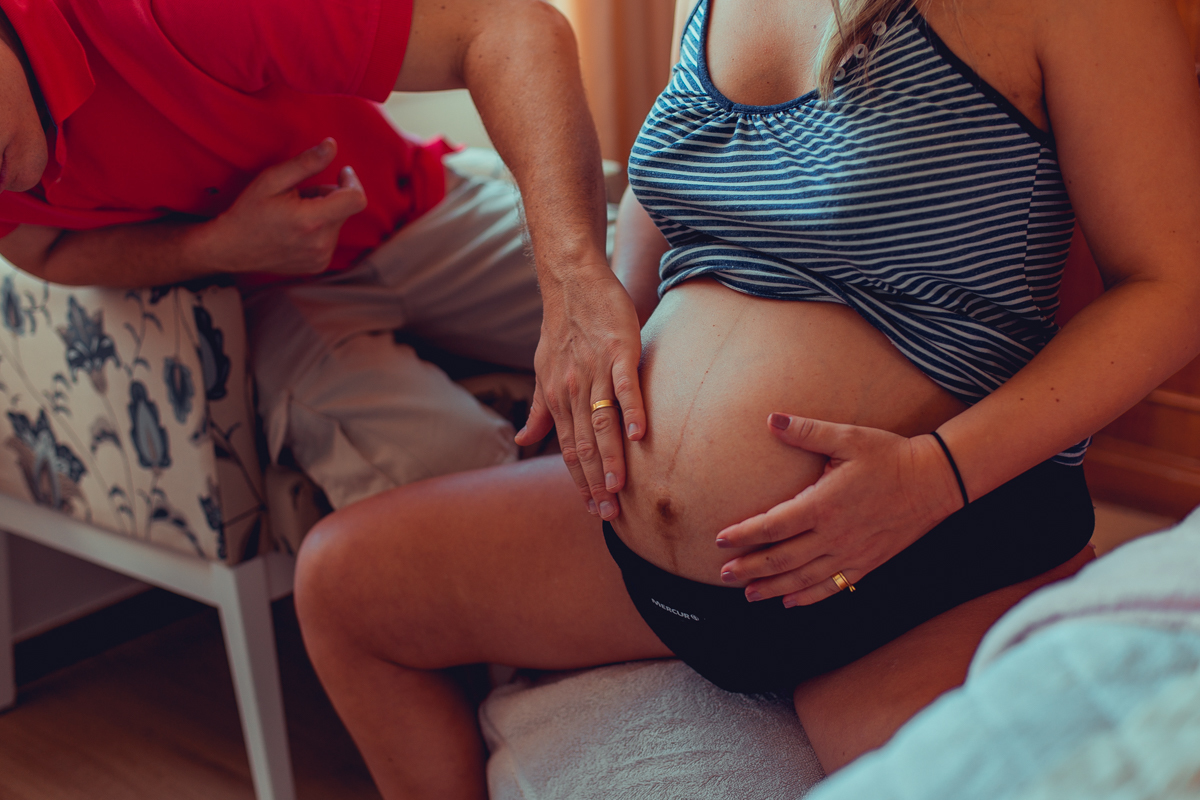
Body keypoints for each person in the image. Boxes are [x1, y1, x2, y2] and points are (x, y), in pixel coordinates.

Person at [294, 0, 1200, 796]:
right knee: (344, 587)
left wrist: (937, 475)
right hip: (644, 560)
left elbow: (1173, 289)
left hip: (926, 554)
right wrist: (588, 368)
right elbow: (669, 223)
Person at [0, 0, 613, 510]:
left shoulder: (164, 11)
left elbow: (508, 26)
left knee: (662, 327)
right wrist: (216, 246)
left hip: (416, 206)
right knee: (444, 470)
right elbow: (46, 252)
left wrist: (574, 285)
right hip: (269, 293)